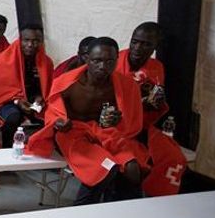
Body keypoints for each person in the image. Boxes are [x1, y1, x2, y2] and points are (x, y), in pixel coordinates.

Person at [27, 37, 147, 204]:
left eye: (109, 61)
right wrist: (59, 122)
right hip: (73, 134)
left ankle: (123, 215)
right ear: (87, 59)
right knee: (105, 168)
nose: (103, 67)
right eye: (97, 61)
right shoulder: (68, 84)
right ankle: (81, 212)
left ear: (117, 60)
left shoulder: (125, 85)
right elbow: (53, 113)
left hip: (105, 133)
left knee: (133, 170)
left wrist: (118, 120)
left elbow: (130, 120)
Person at [115, 22, 187, 196]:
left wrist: (154, 103)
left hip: (143, 126)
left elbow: (155, 102)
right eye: (135, 41)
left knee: (174, 158)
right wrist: (137, 104)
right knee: (139, 164)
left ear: (156, 46)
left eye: (146, 44)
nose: (138, 47)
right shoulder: (114, 61)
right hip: (115, 128)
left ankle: (160, 202)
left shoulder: (156, 67)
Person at [0, 23, 54, 148]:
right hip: (8, 101)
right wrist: (17, 101)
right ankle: (7, 149)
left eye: (35, 41)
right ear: (20, 40)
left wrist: (39, 98)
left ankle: (41, 150)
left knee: (52, 117)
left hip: (33, 102)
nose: (30, 45)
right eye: (26, 40)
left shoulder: (46, 62)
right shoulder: (5, 59)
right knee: (13, 117)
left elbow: (47, 88)